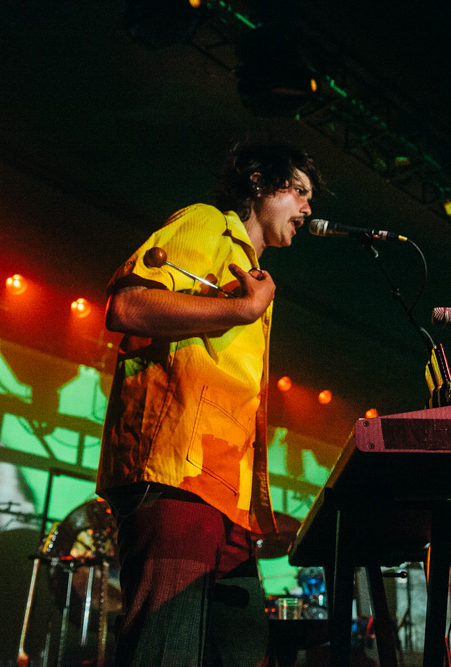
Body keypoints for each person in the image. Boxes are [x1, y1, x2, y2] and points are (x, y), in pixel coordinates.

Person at [96, 142, 322, 666]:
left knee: (242, 651)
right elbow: (128, 305)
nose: (308, 210)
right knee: (164, 651)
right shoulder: (205, 224)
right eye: (299, 192)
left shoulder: (253, 273)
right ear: (259, 184)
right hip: (178, 477)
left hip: (227, 498)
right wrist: (243, 309)